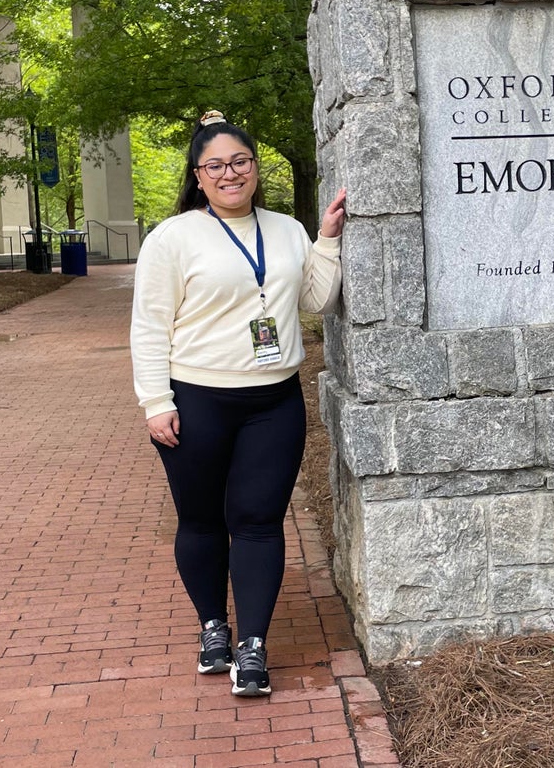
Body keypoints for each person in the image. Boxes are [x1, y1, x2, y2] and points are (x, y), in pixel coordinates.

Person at [130, 110, 346, 697]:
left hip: (272, 402)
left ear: (255, 167)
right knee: (201, 521)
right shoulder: (172, 238)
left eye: (241, 162)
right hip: (196, 401)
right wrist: (155, 401)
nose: (231, 173)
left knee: (257, 521)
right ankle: (212, 628)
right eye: (216, 165)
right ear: (198, 176)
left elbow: (316, 299)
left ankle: (252, 645)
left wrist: (326, 239)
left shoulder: (283, 230)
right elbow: (149, 326)